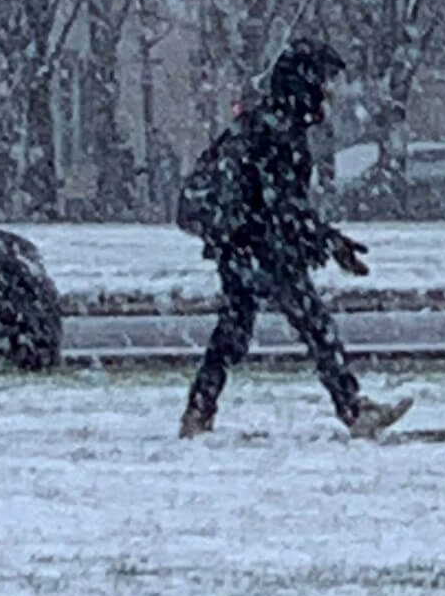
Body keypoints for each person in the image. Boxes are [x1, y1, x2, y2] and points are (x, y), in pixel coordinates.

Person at [175, 38, 412, 441]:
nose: (329, 94)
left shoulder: (259, 125)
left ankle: (199, 411)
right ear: (304, 86)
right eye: (324, 84)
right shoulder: (278, 134)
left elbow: (277, 203)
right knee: (314, 326)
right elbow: (283, 205)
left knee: (234, 331)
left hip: (240, 245)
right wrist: (330, 241)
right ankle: (353, 409)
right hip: (262, 248)